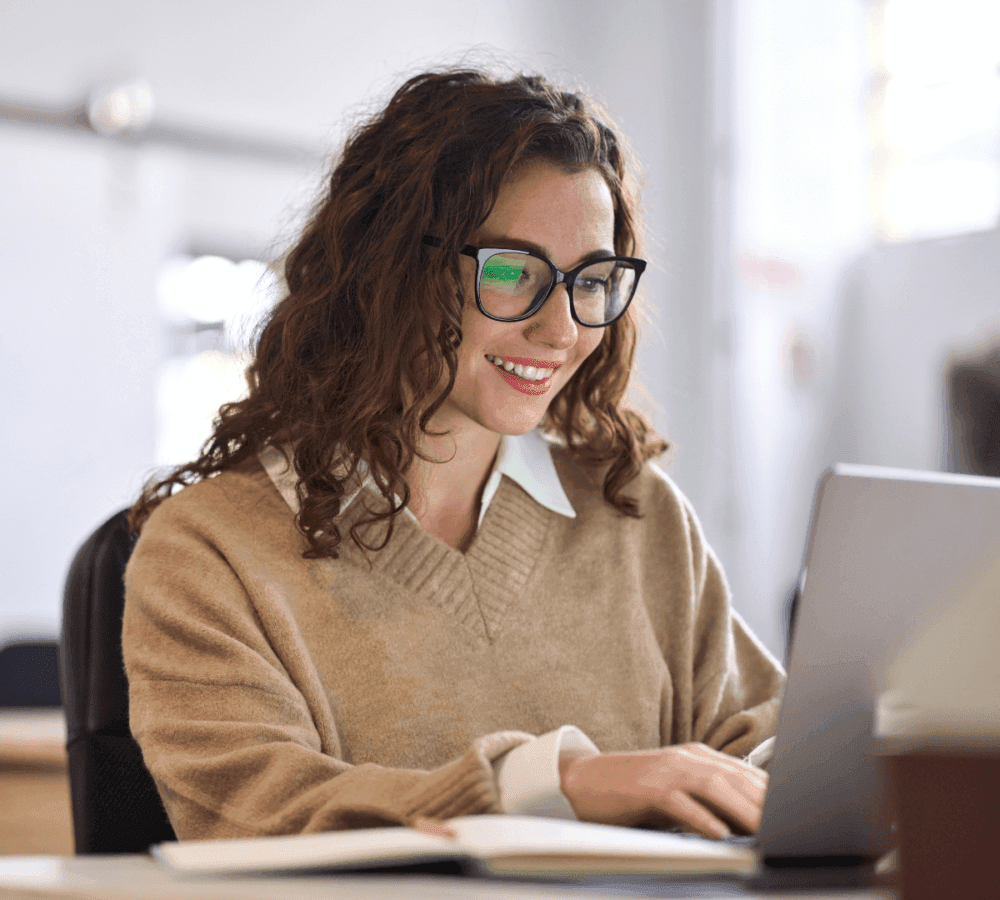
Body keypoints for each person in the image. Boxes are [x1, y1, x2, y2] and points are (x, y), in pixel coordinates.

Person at [124, 67, 784, 843]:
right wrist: (557, 785)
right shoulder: (208, 551)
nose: (563, 332)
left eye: (593, 280)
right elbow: (263, 814)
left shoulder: (638, 515)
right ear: (389, 270)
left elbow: (763, 750)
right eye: (512, 272)